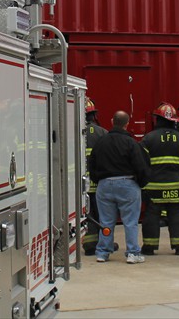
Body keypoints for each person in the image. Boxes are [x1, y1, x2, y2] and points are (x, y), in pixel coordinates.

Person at [88, 111, 150, 264]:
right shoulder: (131, 143)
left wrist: (99, 180)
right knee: (130, 221)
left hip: (104, 185)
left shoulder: (101, 142)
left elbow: (92, 164)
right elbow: (140, 166)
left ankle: (102, 252)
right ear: (127, 124)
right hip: (128, 185)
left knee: (106, 221)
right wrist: (141, 183)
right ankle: (132, 253)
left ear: (111, 121)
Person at [140, 102, 179, 256]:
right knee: (176, 215)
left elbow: (141, 164)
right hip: (177, 186)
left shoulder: (148, 139)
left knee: (151, 216)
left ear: (157, 119)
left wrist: (143, 182)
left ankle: (149, 247)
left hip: (154, 188)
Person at [83, 97, 108, 255]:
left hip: (80, 184)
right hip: (98, 182)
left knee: (86, 214)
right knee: (103, 213)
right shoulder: (103, 133)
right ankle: (104, 242)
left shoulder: (72, 130)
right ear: (93, 115)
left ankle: (88, 244)